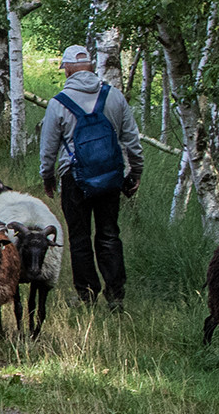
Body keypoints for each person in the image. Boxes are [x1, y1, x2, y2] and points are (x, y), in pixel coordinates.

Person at [38, 44, 144, 309]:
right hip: (110, 176)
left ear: (70, 69)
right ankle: (116, 295)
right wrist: (135, 171)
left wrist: (48, 177)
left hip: (74, 178)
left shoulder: (58, 103)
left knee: (79, 236)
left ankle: (86, 294)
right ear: (91, 67)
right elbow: (132, 137)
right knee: (109, 234)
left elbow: (48, 147)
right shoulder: (114, 97)